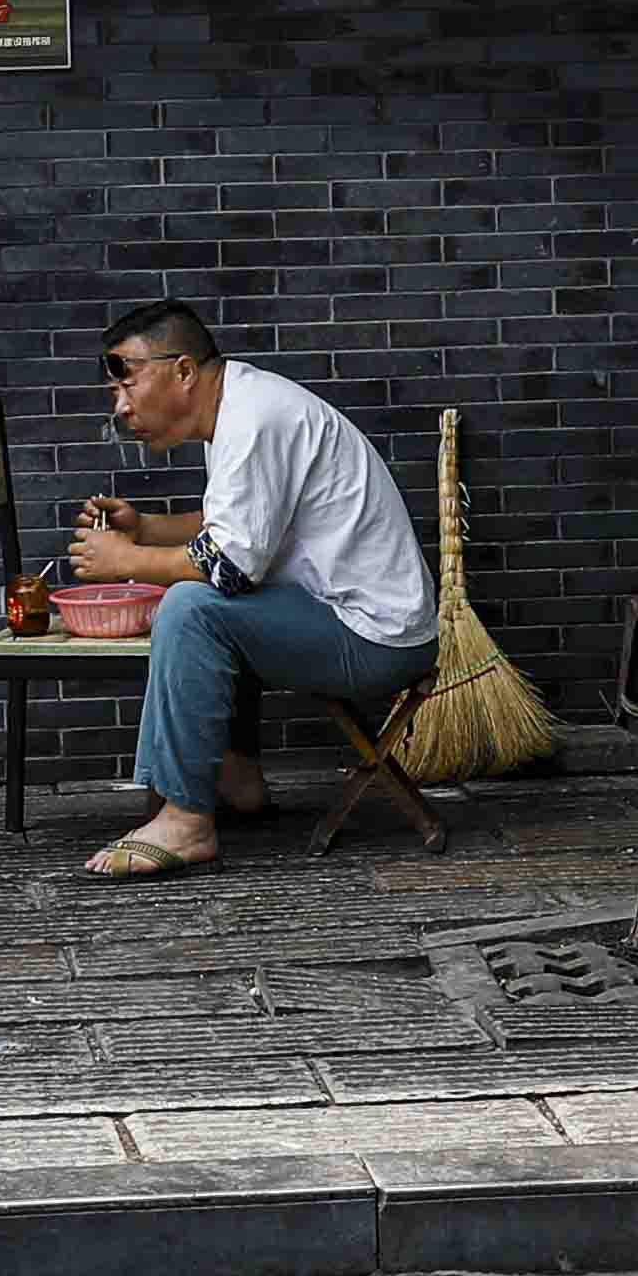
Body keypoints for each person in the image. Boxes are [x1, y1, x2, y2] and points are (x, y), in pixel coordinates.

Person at [57, 301, 433, 882]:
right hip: (340, 616)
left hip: (374, 636)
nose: (121, 407)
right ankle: (237, 779)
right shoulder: (240, 406)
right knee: (205, 599)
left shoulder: (255, 419)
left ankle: (186, 819)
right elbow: (234, 528)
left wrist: (125, 561)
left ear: (183, 370)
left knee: (192, 607)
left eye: (128, 382)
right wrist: (145, 528)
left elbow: (229, 568)